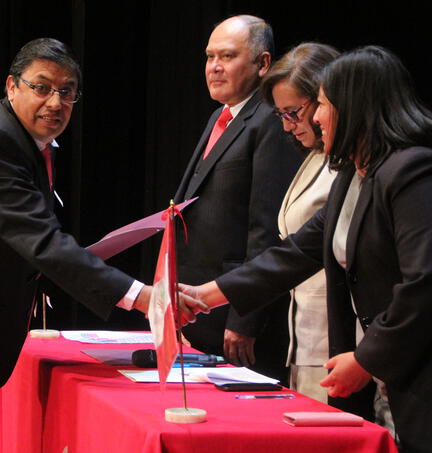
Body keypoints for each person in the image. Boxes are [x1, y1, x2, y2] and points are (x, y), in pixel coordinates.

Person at [0, 38, 205, 452]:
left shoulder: (24, 141)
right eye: (42, 87)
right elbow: (42, 242)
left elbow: (33, 242)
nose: (55, 102)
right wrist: (144, 297)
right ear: (12, 86)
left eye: (67, 92)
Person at [182, 46, 432, 453]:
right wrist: (204, 295)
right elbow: (295, 253)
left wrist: (368, 358)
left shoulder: (411, 171)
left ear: (356, 107)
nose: (316, 117)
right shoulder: (356, 173)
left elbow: (423, 283)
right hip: (391, 377)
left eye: (324, 105)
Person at [174, 15, 301, 382]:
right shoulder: (221, 115)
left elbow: (267, 230)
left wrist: (246, 317)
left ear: (263, 64)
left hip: (233, 317)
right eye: (209, 56)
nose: (214, 67)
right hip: (198, 309)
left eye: (227, 56)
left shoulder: (271, 121)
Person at [260, 43, 340, 402]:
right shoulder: (312, 157)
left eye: (295, 112)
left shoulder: (348, 165)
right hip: (303, 336)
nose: (289, 126)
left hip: (337, 339)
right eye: (281, 115)